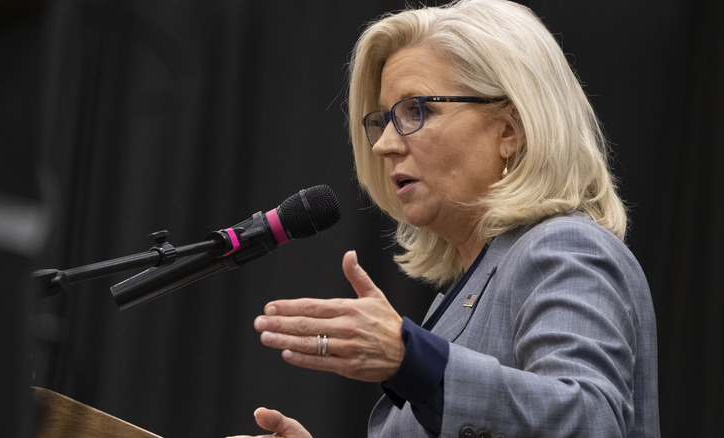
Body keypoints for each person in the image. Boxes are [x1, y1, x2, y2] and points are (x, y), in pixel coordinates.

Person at [229, 0, 660, 436]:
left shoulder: (562, 247)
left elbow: (591, 421)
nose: (383, 146)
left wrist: (413, 359)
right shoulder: (464, 292)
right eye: (382, 120)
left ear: (510, 129)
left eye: (417, 111)